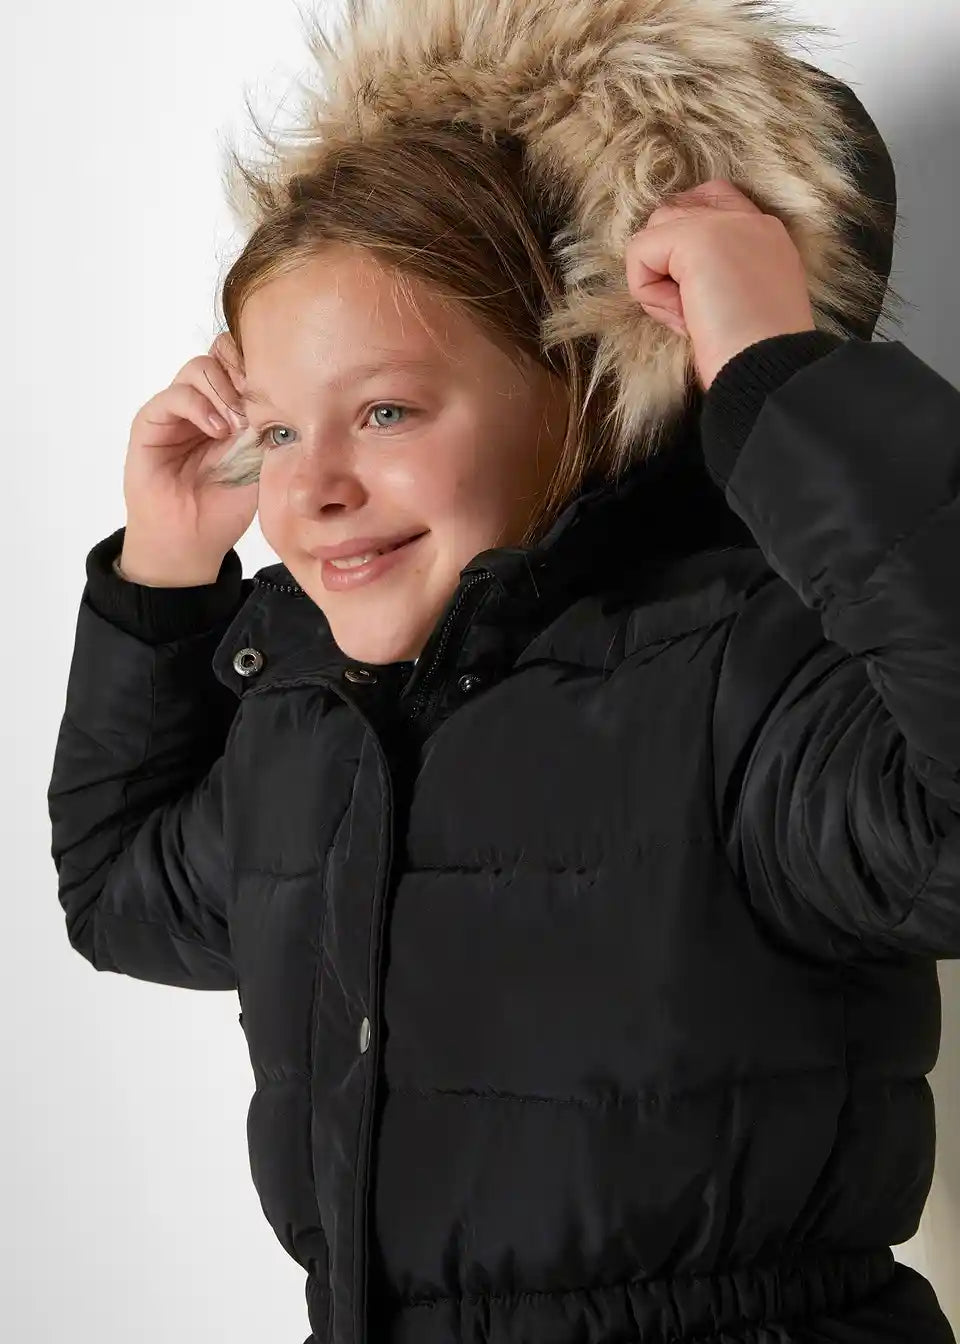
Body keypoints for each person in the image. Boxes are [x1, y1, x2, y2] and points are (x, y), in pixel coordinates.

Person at [47, 0, 960, 1341]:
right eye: (279, 431)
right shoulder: (312, 714)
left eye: (385, 411)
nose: (313, 490)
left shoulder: (734, 675)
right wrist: (164, 577)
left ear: (581, 386)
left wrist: (779, 380)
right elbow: (118, 892)